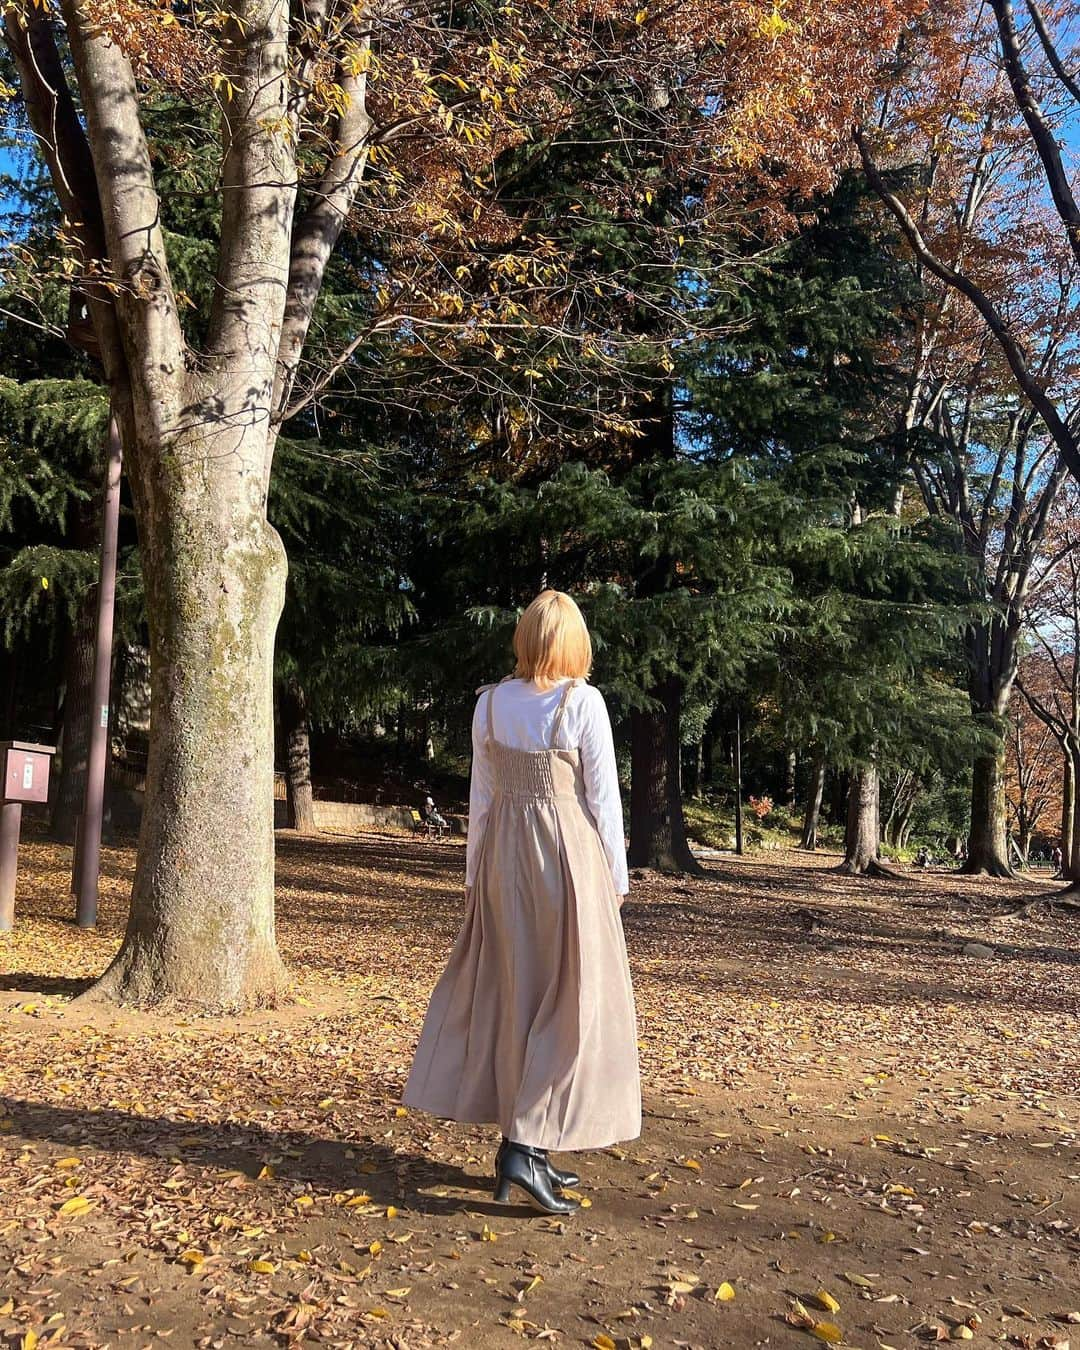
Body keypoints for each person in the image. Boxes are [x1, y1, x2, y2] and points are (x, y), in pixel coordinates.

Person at [402, 590, 640, 1214]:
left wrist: (473, 874)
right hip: (566, 865)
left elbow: (480, 800)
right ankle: (522, 1146)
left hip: (503, 863)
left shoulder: (489, 706)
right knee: (568, 1002)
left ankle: (529, 1148)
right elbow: (603, 801)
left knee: (514, 997)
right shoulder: (582, 702)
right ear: (573, 642)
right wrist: (615, 879)